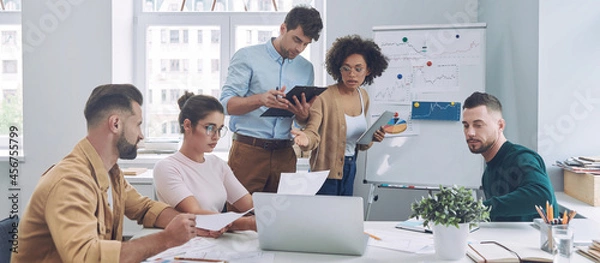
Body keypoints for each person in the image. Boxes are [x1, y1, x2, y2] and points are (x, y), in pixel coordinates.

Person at [12, 84, 206, 263]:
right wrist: (166, 239)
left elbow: (144, 208)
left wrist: (193, 224)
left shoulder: (111, 172)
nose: (141, 135)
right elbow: (86, 257)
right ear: (115, 124)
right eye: (138, 124)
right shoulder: (70, 182)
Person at [219, 6, 324, 197]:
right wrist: (260, 99)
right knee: (239, 219)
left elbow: (302, 121)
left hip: (285, 154)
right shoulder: (247, 56)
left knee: (282, 219)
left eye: (306, 44)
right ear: (283, 28)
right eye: (297, 40)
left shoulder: (306, 68)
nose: (299, 49)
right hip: (248, 152)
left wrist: (302, 115)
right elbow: (226, 105)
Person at [291, 35, 389, 196]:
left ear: (368, 70)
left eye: (358, 69)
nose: (352, 74)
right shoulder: (324, 97)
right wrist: (305, 140)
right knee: (323, 221)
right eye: (346, 68)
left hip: (350, 169)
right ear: (338, 69)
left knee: (344, 220)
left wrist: (372, 137)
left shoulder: (363, 96)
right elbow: (312, 131)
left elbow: (359, 144)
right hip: (323, 174)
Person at [154, 92, 256, 231]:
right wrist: (248, 223)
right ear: (188, 125)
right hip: (185, 242)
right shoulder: (167, 167)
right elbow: (195, 214)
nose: (217, 137)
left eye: (219, 129)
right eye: (210, 128)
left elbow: (249, 204)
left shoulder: (217, 164)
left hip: (217, 237)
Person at [461, 91, 558, 222]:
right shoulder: (487, 174)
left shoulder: (522, 158)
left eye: (478, 125)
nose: (470, 133)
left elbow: (542, 196)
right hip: (504, 241)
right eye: (466, 126)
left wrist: (479, 209)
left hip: (533, 241)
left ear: (500, 125)